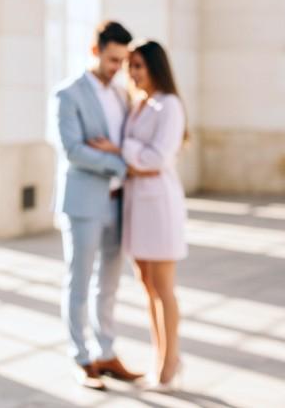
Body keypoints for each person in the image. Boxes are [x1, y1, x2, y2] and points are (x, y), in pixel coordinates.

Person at [50, 20, 147, 390]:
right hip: (83, 203)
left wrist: (122, 157)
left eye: (122, 61)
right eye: (112, 60)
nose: (118, 68)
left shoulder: (122, 94)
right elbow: (73, 150)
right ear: (95, 51)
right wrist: (122, 163)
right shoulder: (67, 94)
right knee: (79, 281)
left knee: (109, 284)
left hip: (118, 203)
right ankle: (81, 358)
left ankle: (106, 352)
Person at [88, 40, 187, 392]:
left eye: (139, 66)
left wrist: (120, 150)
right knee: (147, 286)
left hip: (159, 206)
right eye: (131, 66)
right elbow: (141, 160)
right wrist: (132, 158)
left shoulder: (169, 105)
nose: (132, 73)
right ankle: (161, 357)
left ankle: (170, 363)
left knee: (163, 287)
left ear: (156, 67)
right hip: (136, 205)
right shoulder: (140, 103)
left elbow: (156, 159)